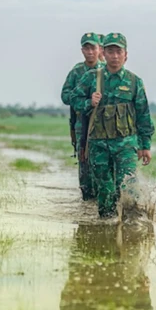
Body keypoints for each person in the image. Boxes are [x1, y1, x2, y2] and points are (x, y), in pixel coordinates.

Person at [71, 32, 155, 219]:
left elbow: (143, 115)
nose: (115, 56)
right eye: (110, 51)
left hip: (126, 144)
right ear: (104, 53)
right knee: (105, 190)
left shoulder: (134, 82)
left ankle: (130, 225)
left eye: (118, 51)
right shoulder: (92, 78)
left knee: (127, 186)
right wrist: (88, 103)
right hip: (99, 144)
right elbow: (72, 98)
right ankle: (107, 230)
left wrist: (145, 146)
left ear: (126, 55)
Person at [61, 32, 105, 200]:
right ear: (82, 51)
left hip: (104, 125)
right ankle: (87, 199)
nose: (90, 52)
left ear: (99, 49)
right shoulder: (76, 72)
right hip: (81, 124)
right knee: (85, 161)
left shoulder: (106, 70)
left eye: (92, 48)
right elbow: (65, 97)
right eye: (86, 48)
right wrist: (85, 100)